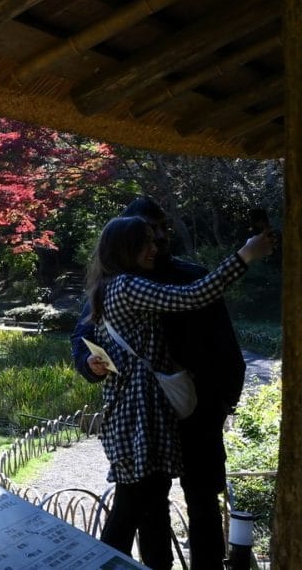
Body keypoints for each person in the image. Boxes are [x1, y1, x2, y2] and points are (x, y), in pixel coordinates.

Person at [77, 214, 272, 570]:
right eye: (146, 242)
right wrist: (246, 254)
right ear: (125, 248)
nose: (156, 247)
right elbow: (194, 295)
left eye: (156, 239)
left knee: (138, 502)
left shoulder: (105, 288)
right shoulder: (127, 286)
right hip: (143, 413)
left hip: (130, 409)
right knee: (128, 510)